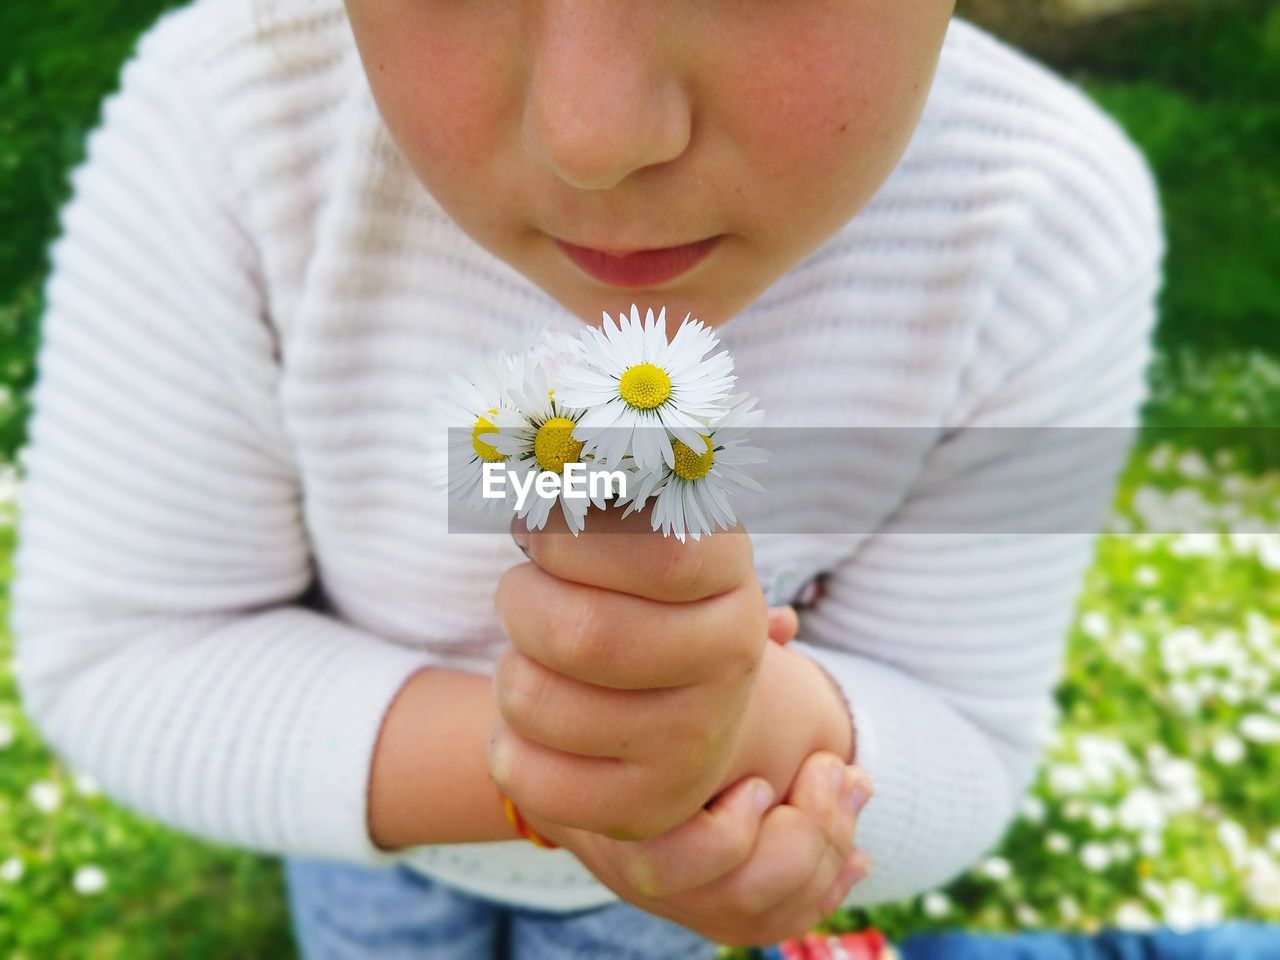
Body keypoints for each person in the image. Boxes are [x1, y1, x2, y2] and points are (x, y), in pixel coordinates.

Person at [9, 0, 1165, 956]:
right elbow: (127, 651)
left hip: (685, 887)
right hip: (362, 829)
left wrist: (746, 733)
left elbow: (964, 736)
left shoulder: (1045, 231)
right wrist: (603, 777)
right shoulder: (229, 120)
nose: (593, 135)